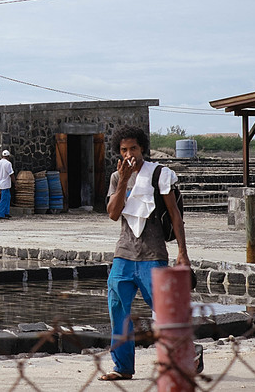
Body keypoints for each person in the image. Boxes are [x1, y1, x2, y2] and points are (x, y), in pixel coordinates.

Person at [99, 125, 189, 382]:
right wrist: (124, 181)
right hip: (124, 254)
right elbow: (113, 213)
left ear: (143, 149)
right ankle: (122, 367)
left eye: (134, 148)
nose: (130, 154)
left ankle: (186, 355)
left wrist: (182, 252)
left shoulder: (159, 174)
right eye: (124, 149)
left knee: (164, 313)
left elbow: (175, 215)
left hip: (153, 255)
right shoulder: (117, 178)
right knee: (118, 310)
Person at [0, 150, 14, 220]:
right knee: (4, 199)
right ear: (8, 157)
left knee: (7, 198)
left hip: (0, 183)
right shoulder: (8, 164)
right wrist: (15, 183)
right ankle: (1, 214)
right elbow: (11, 174)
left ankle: (6, 213)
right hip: (6, 184)